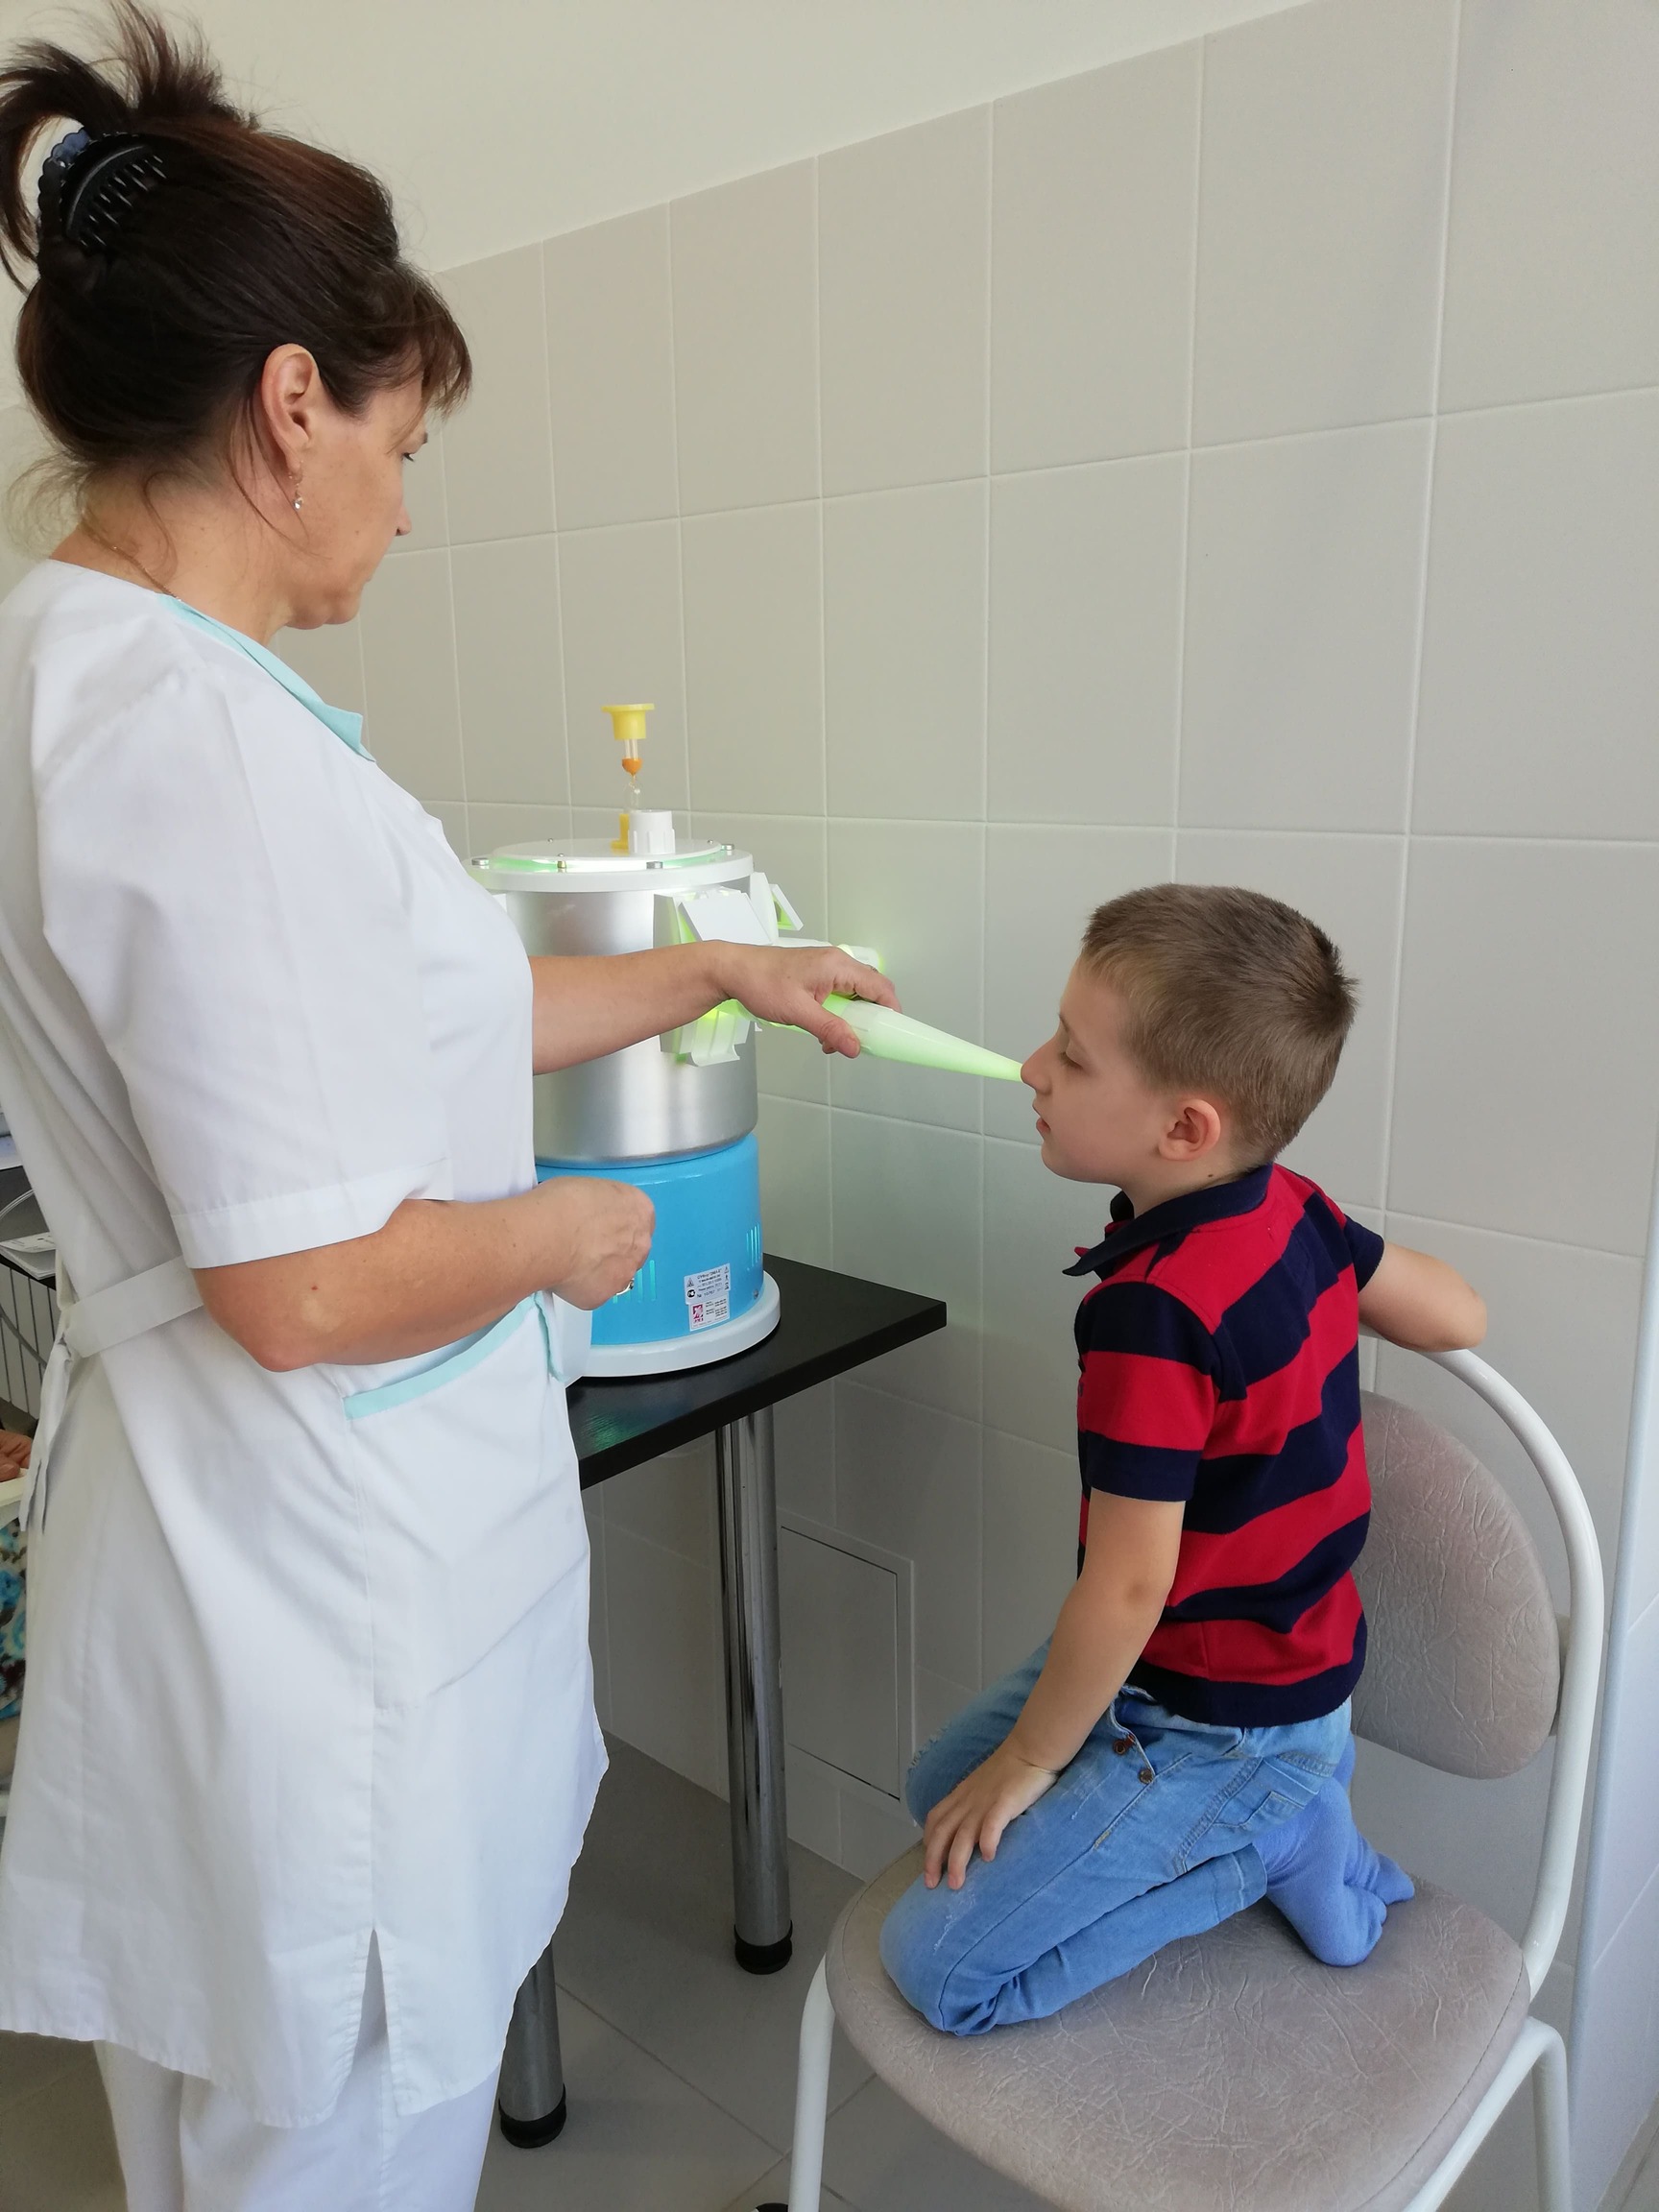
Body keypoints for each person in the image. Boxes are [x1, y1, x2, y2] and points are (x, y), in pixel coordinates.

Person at [0, 11, 895, 2207]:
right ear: (290, 407)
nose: (404, 506)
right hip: (312, 1599)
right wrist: (564, 1241)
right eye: (401, 447)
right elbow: (305, 1286)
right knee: (328, 2148)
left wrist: (709, 967)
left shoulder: (83, 668)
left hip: (234, 1562)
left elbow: (406, 1024)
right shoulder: (198, 749)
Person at [879, 883, 1486, 2035]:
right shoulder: (1293, 1206)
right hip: (1242, 1669)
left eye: (1071, 1054)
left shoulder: (1154, 1315)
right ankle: (1285, 1808)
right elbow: (1460, 1313)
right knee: (936, 1797)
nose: (1031, 1070)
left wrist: (1032, 1761)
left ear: (1186, 1130)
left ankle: (1269, 1845)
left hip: (1224, 1725)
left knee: (938, 1972)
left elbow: (1127, 1586)